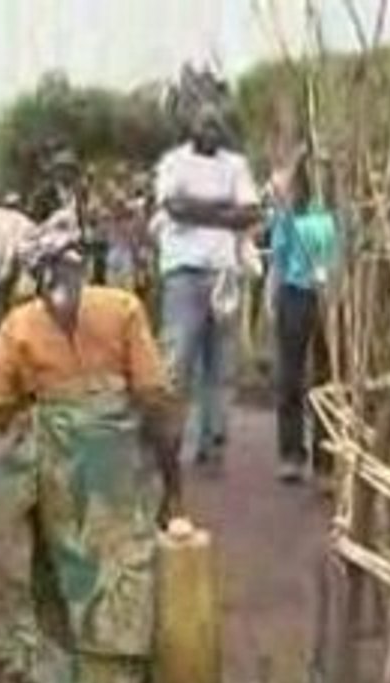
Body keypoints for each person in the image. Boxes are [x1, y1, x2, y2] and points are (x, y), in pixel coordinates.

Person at [0, 210, 183, 683]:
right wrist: (172, 488)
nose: (59, 286)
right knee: (106, 587)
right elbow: (155, 403)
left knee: (62, 583)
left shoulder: (32, 326)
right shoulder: (115, 312)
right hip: (97, 480)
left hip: (86, 478)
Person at [153, 107, 261, 464]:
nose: (212, 130)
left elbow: (249, 213)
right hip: (183, 272)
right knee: (179, 358)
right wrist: (223, 211)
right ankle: (172, 439)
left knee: (220, 362)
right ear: (192, 127)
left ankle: (213, 439)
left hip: (224, 273)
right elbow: (174, 206)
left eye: (217, 125)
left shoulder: (236, 164)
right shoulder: (174, 162)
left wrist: (201, 210)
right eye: (205, 124)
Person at [268, 149, 340, 484]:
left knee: (326, 377)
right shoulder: (290, 213)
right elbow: (278, 262)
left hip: (327, 299)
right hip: (296, 295)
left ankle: (325, 458)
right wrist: (273, 298)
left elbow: (345, 256)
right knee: (291, 376)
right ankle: (292, 455)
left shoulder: (338, 213)